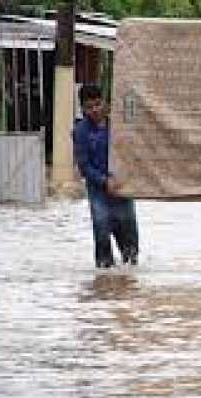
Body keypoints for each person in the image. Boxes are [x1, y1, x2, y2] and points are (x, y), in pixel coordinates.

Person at [73, 85, 139, 268]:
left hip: (121, 188)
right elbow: (84, 166)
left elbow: (130, 150)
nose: (94, 110)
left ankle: (127, 286)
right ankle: (104, 282)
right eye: (89, 107)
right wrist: (104, 181)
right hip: (98, 193)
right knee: (102, 235)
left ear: (105, 103)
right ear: (82, 109)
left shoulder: (118, 126)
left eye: (97, 104)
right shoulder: (80, 131)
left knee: (130, 243)